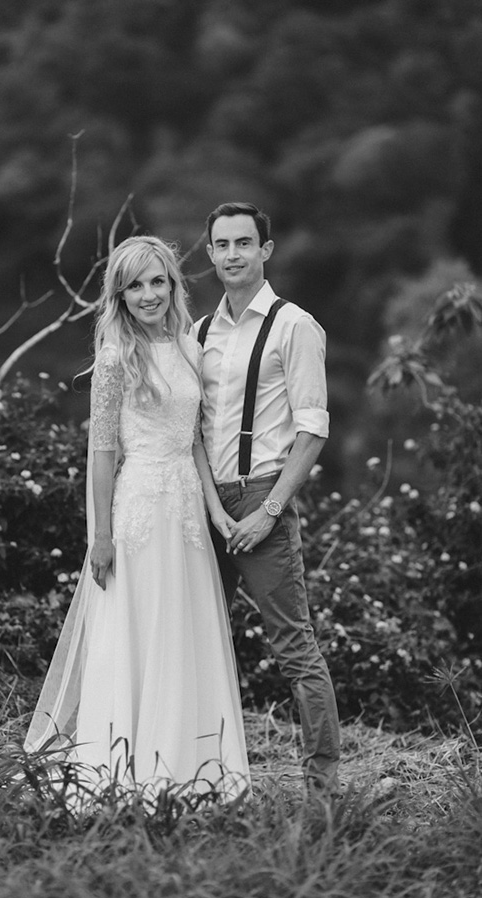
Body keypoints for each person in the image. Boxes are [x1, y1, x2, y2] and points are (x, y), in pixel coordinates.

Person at [24, 235, 250, 803]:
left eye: (158, 282)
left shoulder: (188, 347)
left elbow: (194, 441)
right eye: (135, 285)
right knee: (138, 632)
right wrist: (99, 535)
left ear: (173, 286)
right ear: (119, 295)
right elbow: (101, 454)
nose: (149, 294)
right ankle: (123, 772)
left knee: (184, 633)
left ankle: (189, 770)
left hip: (187, 513)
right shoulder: (114, 359)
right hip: (140, 509)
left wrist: (215, 509)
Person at [196, 202, 340, 796]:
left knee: (293, 646)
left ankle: (323, 788)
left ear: (266, 250)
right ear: (210, 253)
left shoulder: (294, 326)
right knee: (199, 640)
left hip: (264, 494)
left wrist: (270, 509)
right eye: (222, 244)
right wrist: (210, 507)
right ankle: (204, 775)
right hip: (205, 504)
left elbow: (313, 430)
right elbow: (192, 430)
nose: (233, 254)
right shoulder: (198, 332)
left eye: (244, 243)